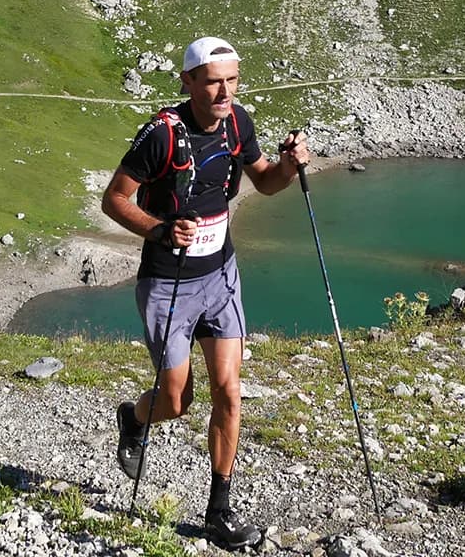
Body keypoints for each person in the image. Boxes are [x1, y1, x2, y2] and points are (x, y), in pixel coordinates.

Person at [102, 36, 310, 550]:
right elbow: (114, 199)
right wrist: (158, 229)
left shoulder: (238, 122)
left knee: (229, 391)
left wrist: (289, 165)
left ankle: (218, 509)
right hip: (167, 282)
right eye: (213, 80)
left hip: (221, 276)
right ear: (189, 81)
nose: (224, 91)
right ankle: (134, 417)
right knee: (176, 401)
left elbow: (263, 181)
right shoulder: (161, 135)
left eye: (232, 80)